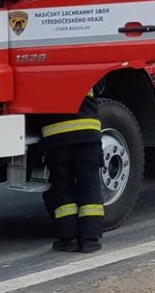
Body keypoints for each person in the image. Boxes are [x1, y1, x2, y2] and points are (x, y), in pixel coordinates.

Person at [37, 92, 106, 252]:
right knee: (90, 185)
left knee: (62, 188)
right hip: (88, 129)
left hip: (57, 134)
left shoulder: (44, 70)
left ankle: (69, 239)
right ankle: (90, 240)